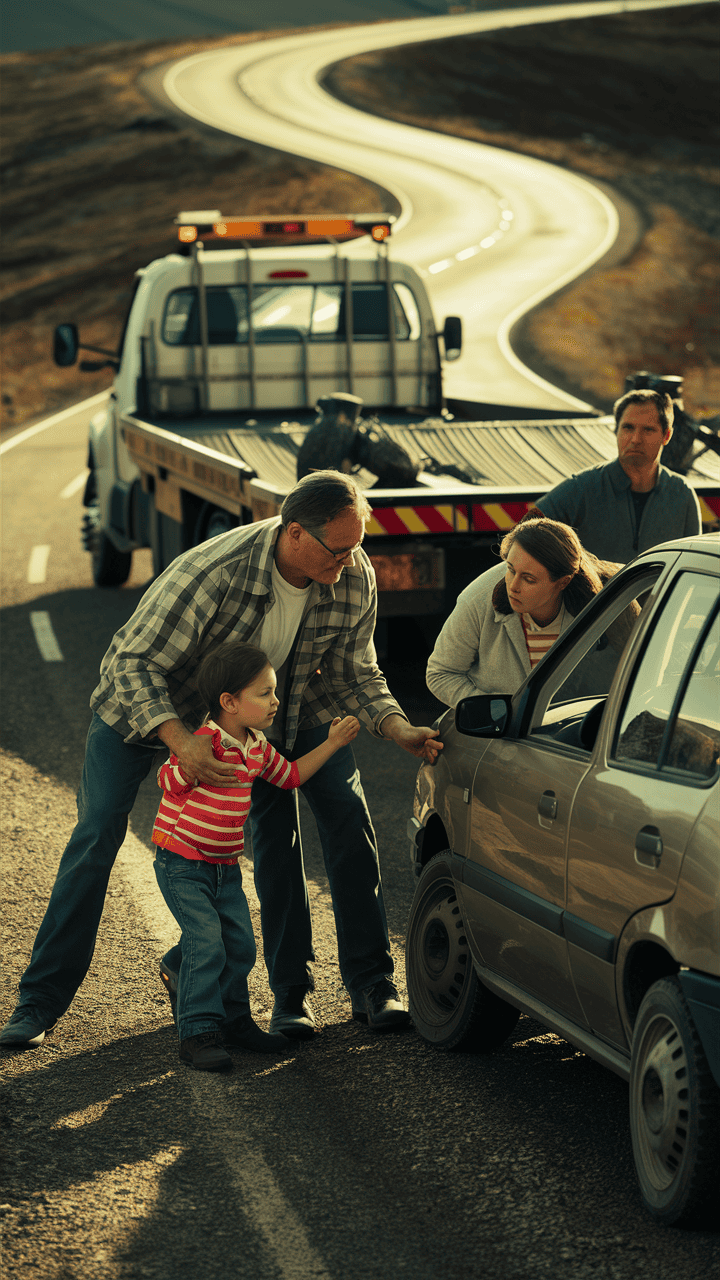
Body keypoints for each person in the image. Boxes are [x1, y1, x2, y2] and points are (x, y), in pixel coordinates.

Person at [1, 470, 441, 1050]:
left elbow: (354, 670)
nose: (350, 559)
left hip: (269, 712)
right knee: (97, 836)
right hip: (146, 710)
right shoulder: (214, 571)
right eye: (339, 547)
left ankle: (365, 985)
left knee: (344, 814)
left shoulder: (351, 572)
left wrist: (395, 726)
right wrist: (183, 743)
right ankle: (38, 1002)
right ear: (293, 535)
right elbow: (132, 662)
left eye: (356, 544)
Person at [152, 640, 359, 1072]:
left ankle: (233, 1020)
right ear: (230, 702)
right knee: (207, 944)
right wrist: (189, 763)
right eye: (264, 693)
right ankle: (197, 1033)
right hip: (183, 863)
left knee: (240, 946)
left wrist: (334, 743)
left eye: (273, 691)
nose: (275, 701)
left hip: (225, 867)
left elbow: (292, 776)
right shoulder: (203, 742)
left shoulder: (258, 747)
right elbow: (167, 780)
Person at [426, 517, 611, 707]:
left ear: (563, 582)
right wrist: (494, 712)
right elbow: (441, 674)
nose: (513, 587)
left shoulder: (601, 610)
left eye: (529, 579)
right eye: (511, 570)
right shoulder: (477, 599)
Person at [537, 388, 701, 562]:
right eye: (628, 428)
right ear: (616, 431)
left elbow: (694, 565)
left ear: (666, 435)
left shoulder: (682, 495)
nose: (636, 439)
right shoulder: (583, 487)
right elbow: (527, 533)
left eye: (648, 430)